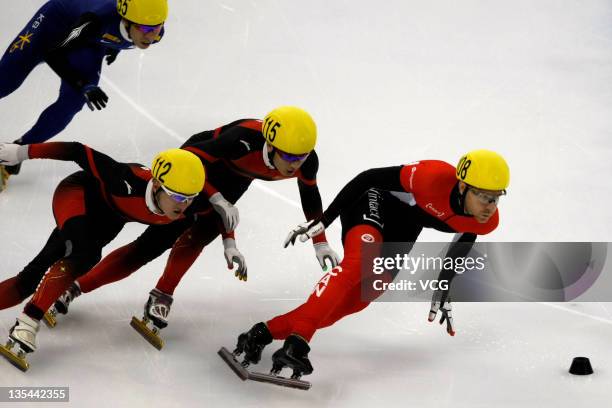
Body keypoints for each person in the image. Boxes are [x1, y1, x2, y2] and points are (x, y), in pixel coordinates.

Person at [49, 106, 340, 345]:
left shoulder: (305, 161)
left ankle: (162, 294)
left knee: (199, 237)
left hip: (234, 182)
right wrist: (214, 196)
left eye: (301, 156)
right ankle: (75, 287)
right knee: (152, 245)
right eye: (289, 156)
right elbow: (191, 159)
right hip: (194, 172)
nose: (295, 164)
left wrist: (320, 242)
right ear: (270, 144)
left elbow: (311, 199)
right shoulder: (241, 139)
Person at [230, 149, 510, 379]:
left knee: (361, 297)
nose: (490, 206)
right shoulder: (431, 176)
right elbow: (367, 178)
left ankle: (260, 333)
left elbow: (462, 243)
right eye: (485, 197)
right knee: (359, 264)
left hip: (404, 228)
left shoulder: (486, 221)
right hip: (373, 201)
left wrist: (444, 286)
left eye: (497, 198)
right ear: (462, 186)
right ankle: (299, 340)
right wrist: (325, 220)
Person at [0, 141, 205, 370]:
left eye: (191, 197)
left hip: (109, 220)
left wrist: (229, 240)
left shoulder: (186, 213)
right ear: (156, 185)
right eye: (177, 197)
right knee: (84, 254)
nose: (185, 205)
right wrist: (21, 152)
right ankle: (28, 323)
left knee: (29, 279)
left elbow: (143, 251)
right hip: (77, 194)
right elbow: (76, 151)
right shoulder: (126, 180)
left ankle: (31, 315)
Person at [0, 0, 168, 191]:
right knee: (6, 83)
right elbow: (53, 53)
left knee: (72, 103)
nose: (152, 35)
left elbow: (124, 34)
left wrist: (114, 48)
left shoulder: (154, 33)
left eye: (157, 27)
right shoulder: (95, 21)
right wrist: (84, 84)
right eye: (146, 28)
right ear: (126, 20)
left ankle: (13, 154)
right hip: (52, 25)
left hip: (89, 41)